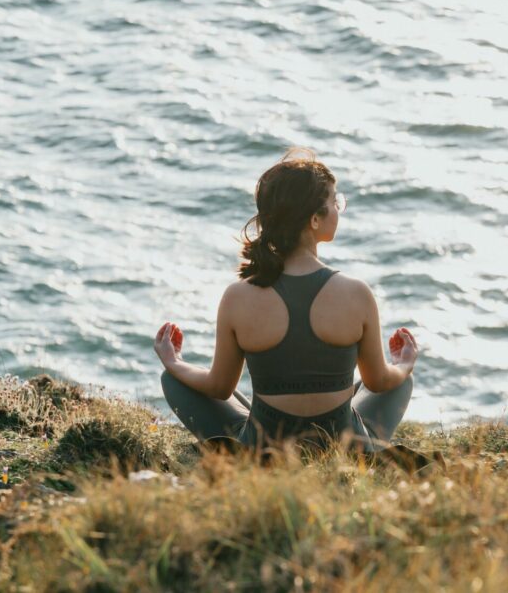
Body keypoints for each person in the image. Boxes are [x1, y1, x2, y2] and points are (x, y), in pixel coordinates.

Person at [155, 146, 418, 454]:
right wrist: (404, 364)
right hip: (344, 446)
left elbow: (218, 386)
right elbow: (379, 381)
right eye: (335, 201)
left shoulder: (238, 296)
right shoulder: (356, 293)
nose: (338, 208)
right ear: (314, 220)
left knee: (174, 379)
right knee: (400, 381)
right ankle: (361, 446)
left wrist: (173, 361)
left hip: (264, 447)